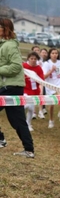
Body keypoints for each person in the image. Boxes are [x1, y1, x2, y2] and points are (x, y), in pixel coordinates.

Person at [0, 18, 35, 158]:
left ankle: (1, 139)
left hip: (11, 86)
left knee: (18, 120)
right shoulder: (4, 45)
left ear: (4, 29)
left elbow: (16, 66)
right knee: (17, 121)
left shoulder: (9, 46)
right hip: (9, 86)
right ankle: (29, 150)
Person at [42, 48, 60, 128]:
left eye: (56, 53)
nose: (55, 55)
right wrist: (51, 70)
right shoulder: (46, 64)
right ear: (50, 54)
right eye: (53, 53)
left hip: (59, 83)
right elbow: (44, 76)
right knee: (51, 104)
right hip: (50, 85)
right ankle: (51, 120)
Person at [23, 51, 44, 132]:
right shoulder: (24, 66)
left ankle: (28, 123)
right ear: (28, 59)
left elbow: (41, 80)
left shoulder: (38, 68)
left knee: (31, 109)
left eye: (35, 59)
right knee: (26, 106)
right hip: (25, 89)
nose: (33, 60)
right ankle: (23, 123)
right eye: (31, 58)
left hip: (34, 91)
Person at [38, 48, 49, 119]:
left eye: (45, 52)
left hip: (43, 80)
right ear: (40, 53)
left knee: (42, 94)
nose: (44, 54)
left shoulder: (47, 62)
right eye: (43, 52)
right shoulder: (36, 60)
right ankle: (35, 112)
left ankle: (41, 110)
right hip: (35, 79)